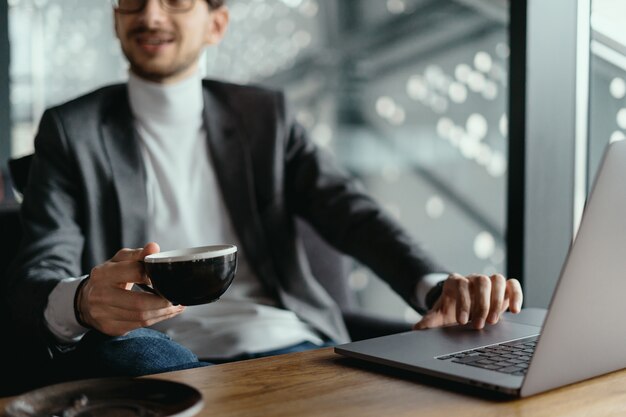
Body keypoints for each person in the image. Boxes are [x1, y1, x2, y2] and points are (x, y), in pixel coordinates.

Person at [4, 0, 523, 385]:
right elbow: (42, 265)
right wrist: (82, 301)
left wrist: (434, 286)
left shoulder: (264, 116)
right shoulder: (72, 130)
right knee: (132, 358)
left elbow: (351, 212)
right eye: (133, 1)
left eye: (176, 2)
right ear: (116, 17)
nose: (152, 16)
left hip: (286, 346)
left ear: (217, 23)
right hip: (155, 352)